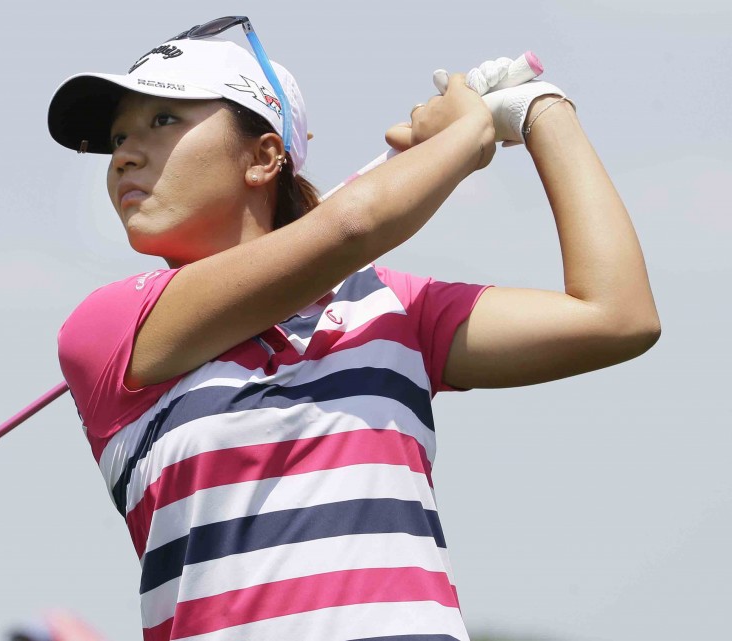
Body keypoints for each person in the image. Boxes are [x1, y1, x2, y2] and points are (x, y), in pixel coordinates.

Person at [47, 16, 660, 641]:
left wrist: (538, 112)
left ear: (262, 158)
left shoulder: (391, 309)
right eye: (119, 137)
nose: (124, 154)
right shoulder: (108, 327)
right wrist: (469, 130)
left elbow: (616, 317)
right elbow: (351, 227)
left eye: (163, 121)